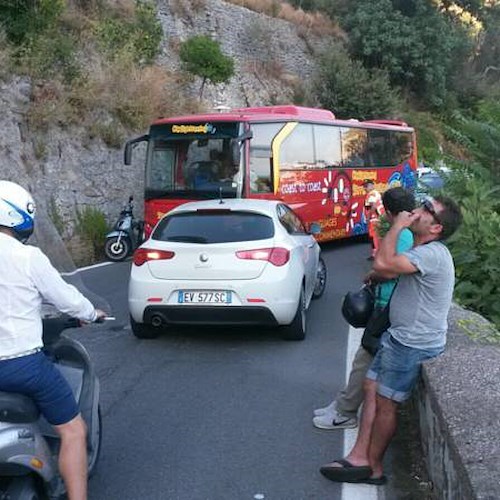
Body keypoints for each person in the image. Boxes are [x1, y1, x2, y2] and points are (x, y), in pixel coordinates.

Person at [320, 195, 462, 486]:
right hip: (398, 336)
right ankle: (359, 455)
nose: (418, 210)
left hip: (413, 343)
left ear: (436, 228)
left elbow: (384, 260)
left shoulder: (433, 253)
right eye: (422, 204)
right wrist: (377, 273)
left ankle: (373, 469)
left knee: (386, 404)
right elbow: (385, 268)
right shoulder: (422, 250)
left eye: (427, 209)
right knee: (371, 387)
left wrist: (397, 225)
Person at [0, 181, 107, 500]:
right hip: (21, 365)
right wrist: (91, 313)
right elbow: (68, 300)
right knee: (73, 431)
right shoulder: (27, 257)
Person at [313, 187, 415, 430]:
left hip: (387, 306)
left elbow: (389, 269)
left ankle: (345, 412)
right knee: (366, 358)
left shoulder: (401, 235)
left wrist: (372, 274)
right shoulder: (406, 234)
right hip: (389, 305)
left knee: (364, 359)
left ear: (389, 212)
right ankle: (342, 404)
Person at [363, 180, 384, 259]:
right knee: (378, 236)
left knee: (373, 237)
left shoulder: (371, 194)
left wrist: (368, 217)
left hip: (374, 219)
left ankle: (375, 254)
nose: (364, 188)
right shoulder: (376, 193)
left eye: (366, 186)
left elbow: (373, 206)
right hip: (379, 218)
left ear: (372, 185)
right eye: (364, 186)